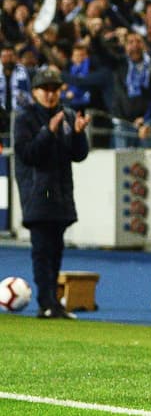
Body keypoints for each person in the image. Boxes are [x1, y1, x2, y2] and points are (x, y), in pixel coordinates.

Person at [13, 67, 89, 319]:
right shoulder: (24, 119)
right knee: (42, 249)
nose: (50, 94)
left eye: (54, 89)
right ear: (34, 92)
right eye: (45, 89)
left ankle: (52, 303)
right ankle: (46, 302)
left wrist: (79, 134)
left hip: (61, 194)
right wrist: (48, 132)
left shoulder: (66, 115)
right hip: (38, 193)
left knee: (56, 249)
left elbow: (79, 155)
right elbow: (28, 154)